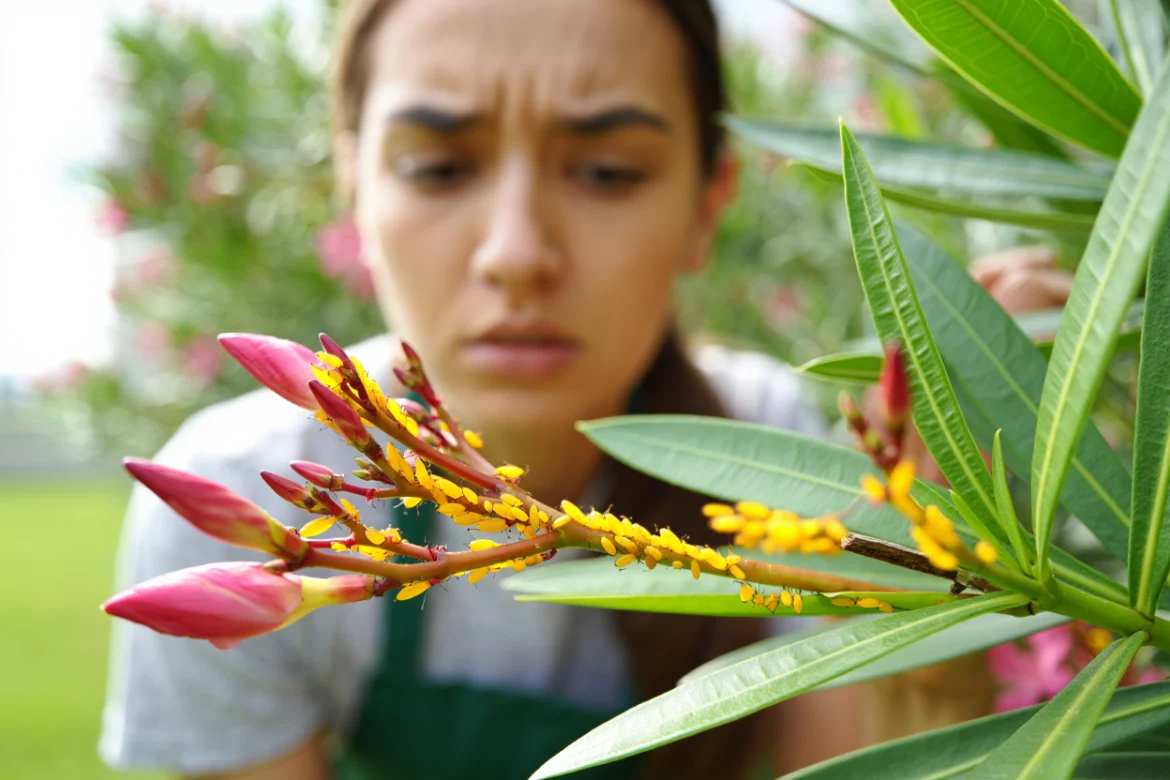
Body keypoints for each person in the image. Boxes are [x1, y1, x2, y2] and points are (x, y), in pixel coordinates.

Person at [99, 1, 1070, 778]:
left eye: (607, 171)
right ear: (353, 187)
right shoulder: (240, 490)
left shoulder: (773, 454)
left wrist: (942, 573)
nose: (516, 252)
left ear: (708, 205)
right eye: (438, 167)